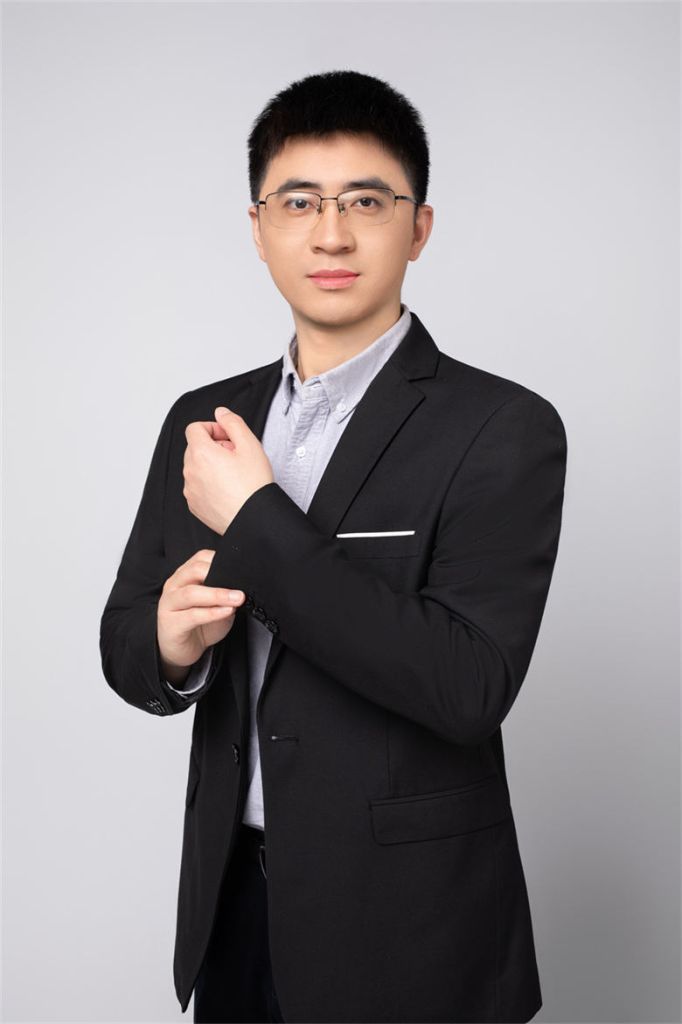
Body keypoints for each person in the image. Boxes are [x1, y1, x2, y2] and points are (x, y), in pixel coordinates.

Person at [99, 69, 567, 1024]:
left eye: (366, 201)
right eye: (299, 202)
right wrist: (173, 650)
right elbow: (125, 639)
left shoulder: (503, 427)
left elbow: (467, 685)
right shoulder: (206, 420)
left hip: (411, 923)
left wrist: (258, 519)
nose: (331, 234)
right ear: (258, 226)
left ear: (419, 227)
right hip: (233, 903)